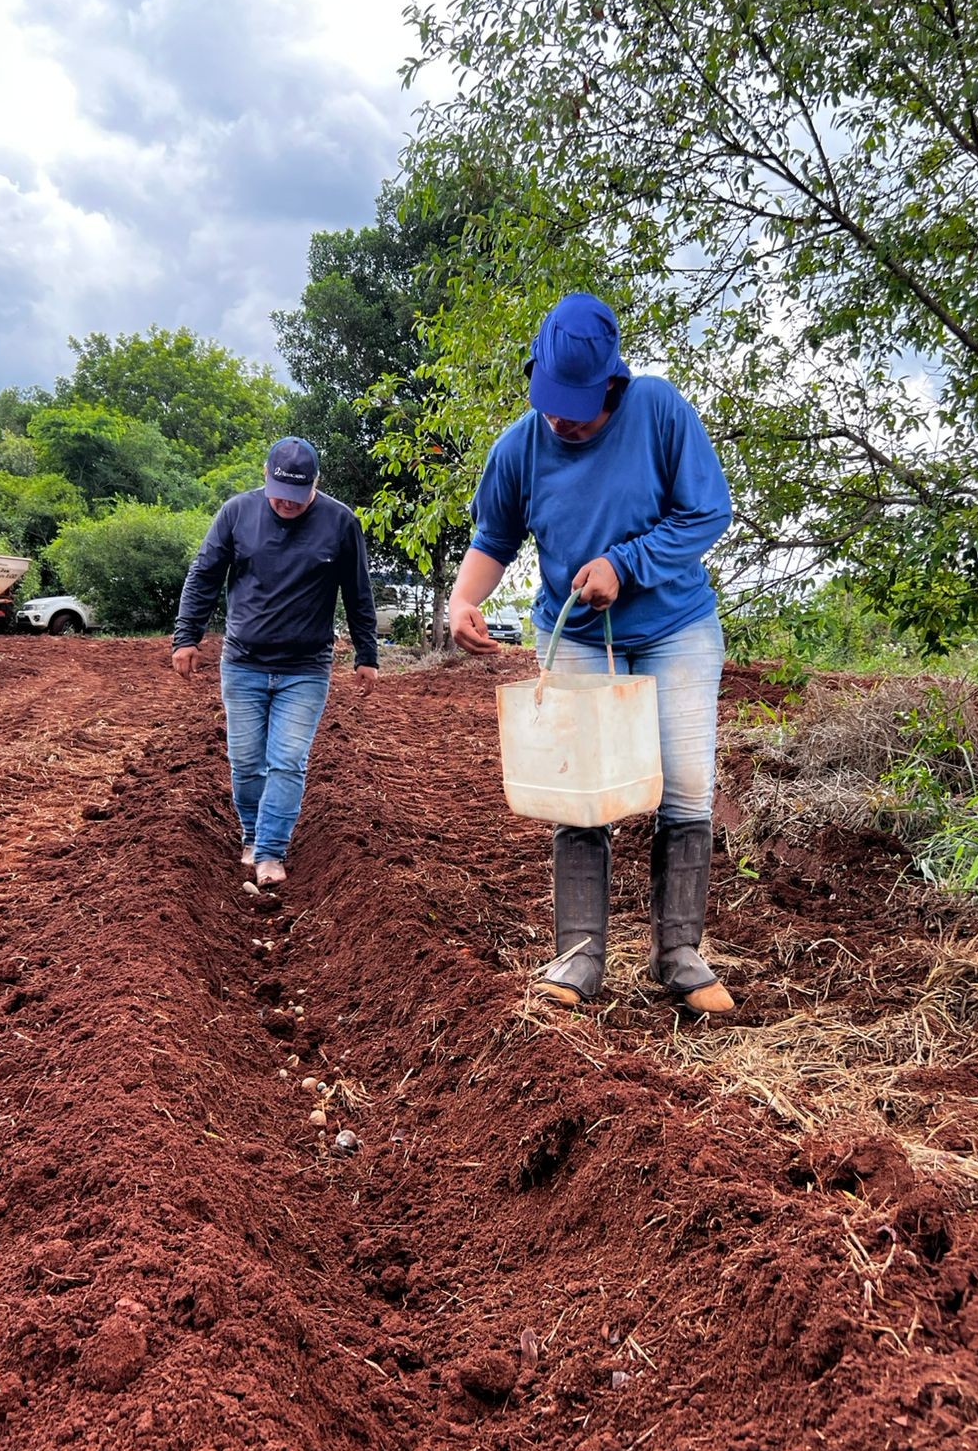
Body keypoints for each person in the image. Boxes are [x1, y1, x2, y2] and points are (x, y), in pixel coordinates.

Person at [448, 293, 734, 1015]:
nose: (560, 419)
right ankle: (579, 956)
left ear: (611, 382)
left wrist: (624, 564)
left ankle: (678, 955)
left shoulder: (661, 413)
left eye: (575, 404)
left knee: (686, 784)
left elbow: (708, 512)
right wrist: (462, 601)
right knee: (581, 793)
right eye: (550, 400)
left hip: (675, 627)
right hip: (575, 634)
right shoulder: (521, 446)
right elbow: (495, 538)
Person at [172, 436, 378, 886]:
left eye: (297, 499)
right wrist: (186, 637)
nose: (286, 506)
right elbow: (204, 576)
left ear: (315, 485)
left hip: (305, 668)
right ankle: (252, 834)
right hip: (243, 662)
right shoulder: (236, 513)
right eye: (279, 497)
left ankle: (269, 852)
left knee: (287, 760)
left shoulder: (341, 523)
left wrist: (367, 653)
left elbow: (358, 592)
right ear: (265, 477)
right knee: (246, 763)